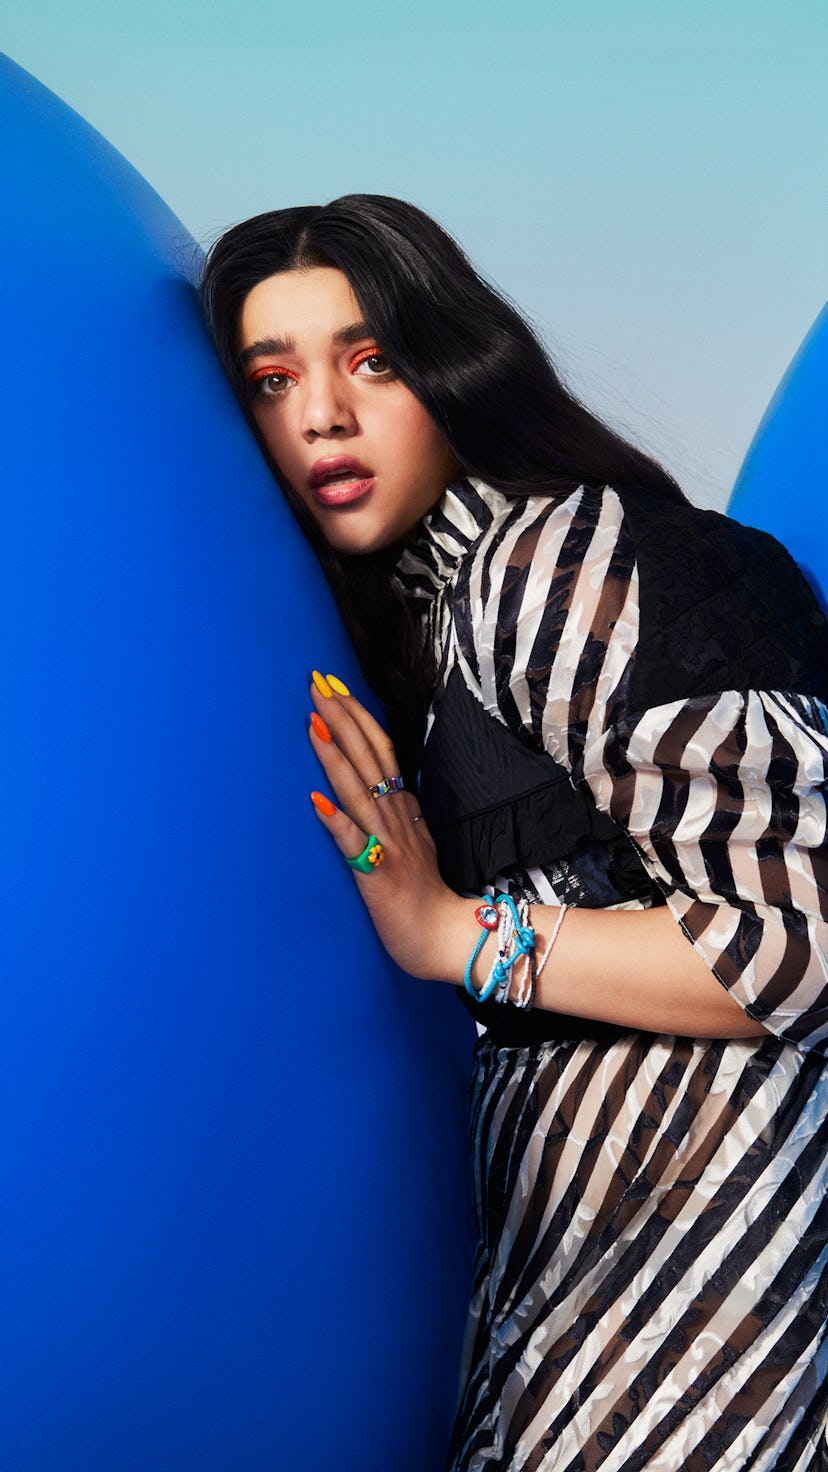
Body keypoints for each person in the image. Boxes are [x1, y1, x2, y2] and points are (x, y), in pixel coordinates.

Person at [201, 195, 828, 1471]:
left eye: (370, 359)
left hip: (705, 1329)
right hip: (576, 1301)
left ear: (455, 364)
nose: (322, 413)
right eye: (273, 379)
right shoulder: (439, 626)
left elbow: (796, 937)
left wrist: (450, 932)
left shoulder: (557, 563)